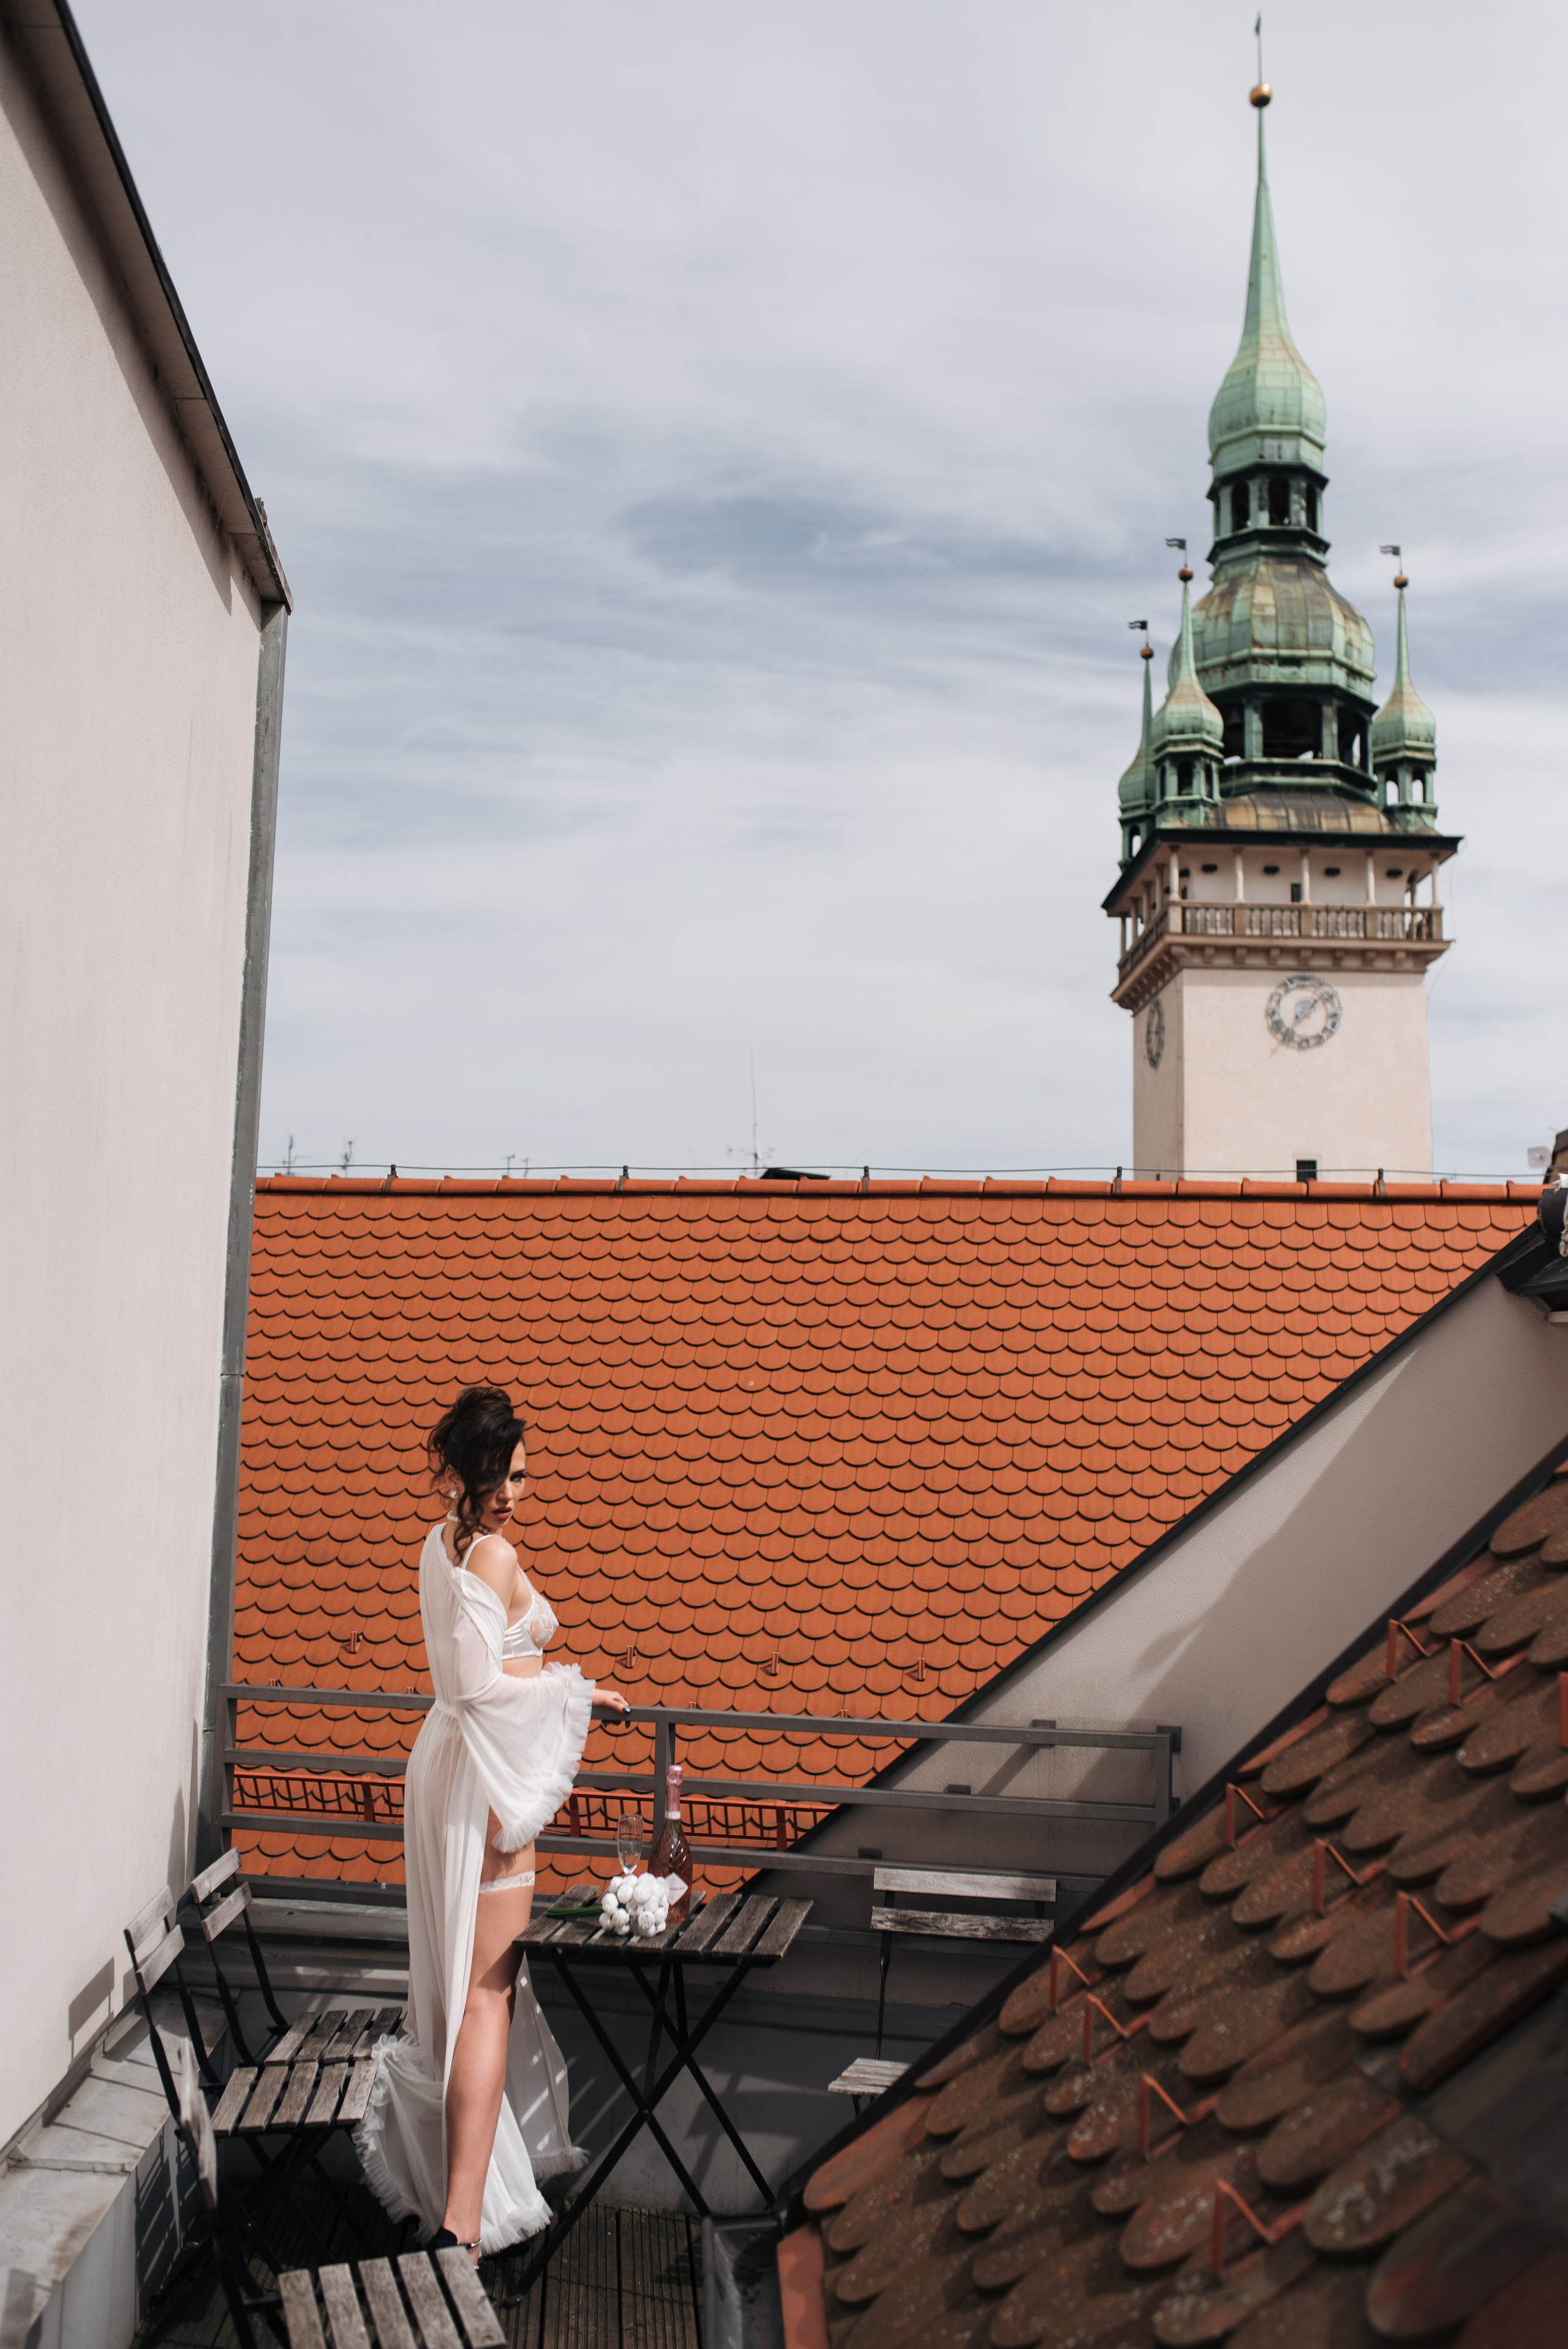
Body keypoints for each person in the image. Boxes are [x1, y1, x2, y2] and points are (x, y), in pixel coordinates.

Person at [356, 1384, 628, 2255]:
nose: (514, 1491)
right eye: (500, 1475)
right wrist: (575, 1691)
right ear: (471, 1473)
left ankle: (457, 2208)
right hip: (484, 1778)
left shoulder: (440, 1548)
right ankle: (460, 2225)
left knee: (465, 1989)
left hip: (444, 1768)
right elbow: (479, 1686)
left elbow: (461, 1681)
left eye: (520, 1475)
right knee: (486, 1994)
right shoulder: (494, 1559)